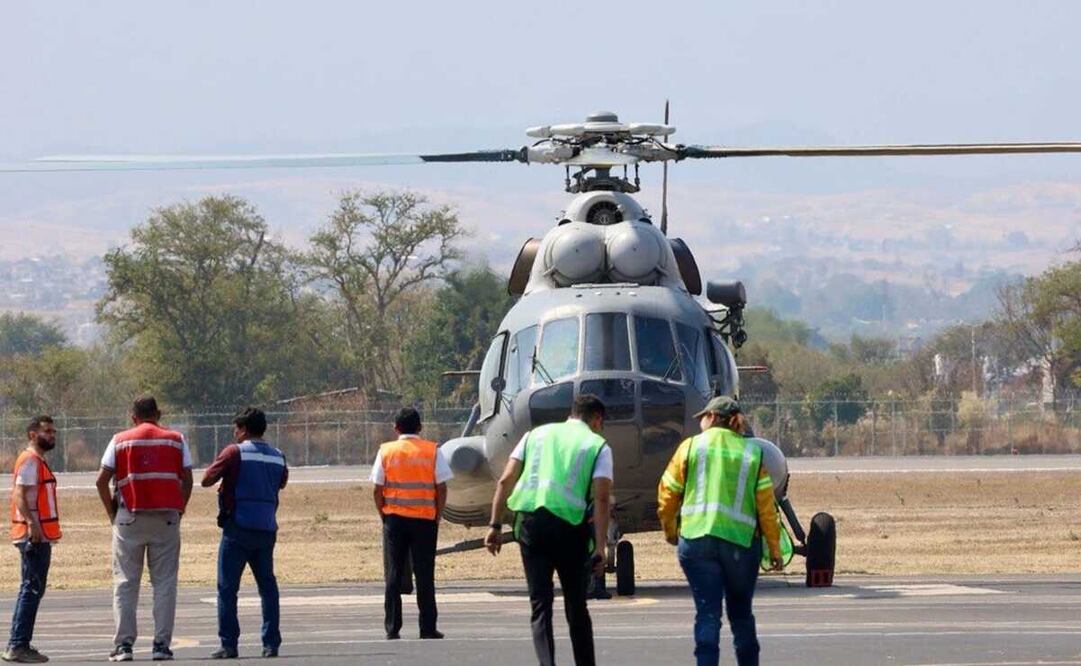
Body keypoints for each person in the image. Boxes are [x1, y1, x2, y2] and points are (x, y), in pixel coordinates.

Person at [484, 394, 612, 666]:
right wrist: (600, 548)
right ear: (597, 419)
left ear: (571, 412)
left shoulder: (534, 436)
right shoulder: (597, 445)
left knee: (540, 604)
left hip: (532, 527)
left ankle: (546, 663)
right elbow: (601, 499)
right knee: (576, 606)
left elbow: (505, 480)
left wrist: (495, 525)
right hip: (571, 530)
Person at [657, 395, 783, 666]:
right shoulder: (752, 453)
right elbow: (766, 510)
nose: (700, 421)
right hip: (740, 546)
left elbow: (667, 494)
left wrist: (670, 530)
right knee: (741, 616)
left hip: (696, 542)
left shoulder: (690, 448)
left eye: (703, 416)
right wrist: (774, 549)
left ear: (713, 417)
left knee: (707, 615)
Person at [96, 397, 193, 662]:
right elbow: (188, 479)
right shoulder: (176, 439)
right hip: (166, 519)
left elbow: (101, 480)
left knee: (126, 583)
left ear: (133, 417)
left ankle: (124, 645)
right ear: (158, 414)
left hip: (130, 518)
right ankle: (161, 645)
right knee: (164, 584)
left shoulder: (120, 440)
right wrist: (180, 509)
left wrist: (112, 514)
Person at [202, 408, 288, 659]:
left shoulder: (234, 452)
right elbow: (281, 482)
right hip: (266, 528)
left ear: (244, 430)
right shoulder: (278, 456)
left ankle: (229, 644)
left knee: (227, 589)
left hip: (237, 528)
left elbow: (207, 479)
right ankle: (271, 643)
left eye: (236, 429)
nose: (235, 434)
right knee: (268, 587)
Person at [370, 407, 452, 640]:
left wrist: (383, 515)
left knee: (394, 574)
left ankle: (392, 627)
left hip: (394, 519)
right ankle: (427, 627)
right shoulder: (432, 450)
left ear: (396, 428)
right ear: (420, 427)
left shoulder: (386, 451)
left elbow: (377, 488)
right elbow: (442, 486)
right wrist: (437, 514)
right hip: (425, 519)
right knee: (425, 574)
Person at [2, 416, 60, 664]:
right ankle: (18, 645)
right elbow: (19, 495)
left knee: (33, 588)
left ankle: (19, 642)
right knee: (31, 588)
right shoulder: (29, 460)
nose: (52, 435)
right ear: (32, 435)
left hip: (40, 535)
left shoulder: (38, 461)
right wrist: (32, 524)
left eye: (53, 431)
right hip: (32, 536)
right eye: (47, 431)